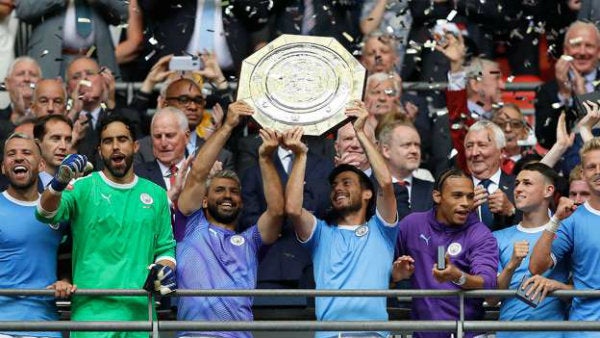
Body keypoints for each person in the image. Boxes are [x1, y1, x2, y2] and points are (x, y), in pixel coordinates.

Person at [35, 115, 176, 338]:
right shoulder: (82, 187)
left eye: (122, 139)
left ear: (136, 145)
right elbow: (44, 213)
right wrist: (58, 184)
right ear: (100, 150)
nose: (116, 146)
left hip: (140, 316)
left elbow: (166, 249)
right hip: (91, 317)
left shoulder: (157, 195)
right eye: (108, 141)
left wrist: (164, 268)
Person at [286, 101, 398, 338]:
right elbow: (293, 209)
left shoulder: (382, 230)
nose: (338, 188)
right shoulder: (321, 233)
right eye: (335, 184)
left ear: (368, 193)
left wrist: (360, 132)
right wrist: (301, 156)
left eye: (347, 183)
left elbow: (386, 183)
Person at [175, 101, 284, 338]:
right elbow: (198, 175)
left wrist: (265, 160)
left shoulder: (251, 242)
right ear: (204, 200)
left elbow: (276, 212)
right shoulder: (190, 226)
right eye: (219, 190)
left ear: (241, 202)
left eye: (234, 191)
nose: (227, 195)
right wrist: (228, 126)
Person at [393, 168, 498, 338]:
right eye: (457, 195)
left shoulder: (480, 234)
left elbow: (489, 283)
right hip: (422, 334)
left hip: (466, 334)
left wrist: (458, 276)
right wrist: (395, 274)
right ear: (437, 196)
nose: (466, 203)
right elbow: (384, 272)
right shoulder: (412, 225)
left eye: (470, 196)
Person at [0, 132, 75, 338]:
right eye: (11, 154)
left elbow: (70, 254)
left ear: (42, 165)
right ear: (3, 167)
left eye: (26, 152)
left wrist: (65, 279)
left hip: (46, 326)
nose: (18, 158)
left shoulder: (58, 210)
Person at [530, 138, 600, 338]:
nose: (597, 171)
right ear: (584, 173)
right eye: (591, 167)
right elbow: (536, 267)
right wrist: (556, 220)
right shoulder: (572, 220)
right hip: (584, 330)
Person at [491, 163, 570, 338]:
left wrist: (559, 287)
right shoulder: (497, 237)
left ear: (548, 191)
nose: (518, 188)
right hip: (508, 334)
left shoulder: (566, 233)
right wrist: (511, 265)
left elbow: (587, 286)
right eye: (517, 183)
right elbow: (491, 298)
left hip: (554, 335)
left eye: (527, 183)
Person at [15, 0, 127, 78]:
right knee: (50, 108)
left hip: (97, 60)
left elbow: (125, 14)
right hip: (51, 60)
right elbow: (24, 10)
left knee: (101, 110)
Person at [535, 21, 600, 149]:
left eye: (589, 45)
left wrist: (584, 97)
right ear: (565, 50)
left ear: (599, 51)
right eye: (576, 45)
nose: (582, 52)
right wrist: (564, 95)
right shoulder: (547, 90)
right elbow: (546, 140)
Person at [465, 120, 518, 231]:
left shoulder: (518, 187)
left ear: (501, 152)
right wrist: (463, 212)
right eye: (469, 146)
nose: (474, 153)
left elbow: (535, 228)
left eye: (482, 145)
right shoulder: (455, 189)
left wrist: (511, 211)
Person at [377, 118, 433, 212]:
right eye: (407, 145)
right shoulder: (371, 188)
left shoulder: (432, 191)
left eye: (417, 145)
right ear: (386, 151)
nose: (414, 151)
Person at [33, 114, 74, 187]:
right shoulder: (25, 183)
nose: (63, 146)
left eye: (68, 140)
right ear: (37, 144)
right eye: (56, 138)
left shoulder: (77, 184)